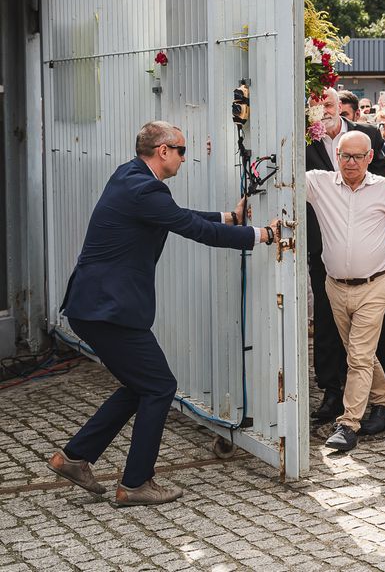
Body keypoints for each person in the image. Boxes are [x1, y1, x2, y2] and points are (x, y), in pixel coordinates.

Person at [48, 121, 278, 507]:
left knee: (140, 386)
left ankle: (74, 458)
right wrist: (261, 235)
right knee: (159, 387)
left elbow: (177, 215)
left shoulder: (132, 177)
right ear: (163, 150)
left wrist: (228, 217)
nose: (185, 158)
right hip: (109, 310)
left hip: (97, 307)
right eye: (182, 151)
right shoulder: (145, 187)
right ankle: (136, 483)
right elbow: (191, 229)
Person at [306, 131, 385, 452]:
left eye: (358, 157)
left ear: (370, 158)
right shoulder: (319, 183)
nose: (350, 163)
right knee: (360, 353)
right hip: (335, 286)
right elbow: (282, 172)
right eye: (345, 156)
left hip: (375, 284)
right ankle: (383, 401)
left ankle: (348, 423)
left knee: (358, 355)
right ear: (335, 155)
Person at [308, 88, 385, 424]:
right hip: (327, 254)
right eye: (315, 104)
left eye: (328, 103)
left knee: (370, 339)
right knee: (336, 334)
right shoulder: (308, 147)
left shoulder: (369, 137)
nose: (322, 109)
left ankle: (362, 411)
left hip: (372, 261)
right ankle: (339, 392)